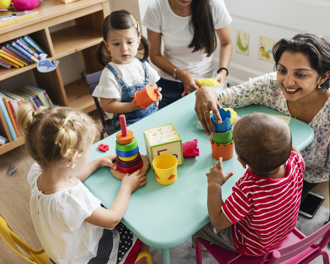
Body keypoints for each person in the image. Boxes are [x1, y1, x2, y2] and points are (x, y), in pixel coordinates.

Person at [194, 33, 330, 202]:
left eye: (301, 75)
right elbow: (223, 98)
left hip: (307, 174)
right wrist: (204, 91)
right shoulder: (268, 86)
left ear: (323, 76)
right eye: (282, 70)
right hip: (260, 166)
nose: (287, 82)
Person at [17, 104, 148, 264]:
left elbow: (71, 176)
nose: (89, 157)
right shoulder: (71, 199)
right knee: (138, 228)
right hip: (88, 258)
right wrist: (127, 188)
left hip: (61, 252)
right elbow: (112, 219)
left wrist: (97, 162)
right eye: (87, 154)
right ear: (71, 160)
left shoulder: (38, 171)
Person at [192, 112, 305, 256]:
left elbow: (218, 222)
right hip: (282, 231)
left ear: (242, 161)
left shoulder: (248, 190)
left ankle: (202, 247)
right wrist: (280, 142)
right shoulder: (295, 161)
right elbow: (294, 153)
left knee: (200, 224)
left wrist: (214, 184)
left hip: (253, 247)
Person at [143, 0, 233, 109]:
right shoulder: (156, 8)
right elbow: (155, 55)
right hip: (169, 82)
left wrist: (223, 71)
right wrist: (181, 75)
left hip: (204, 82)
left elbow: (226, 43)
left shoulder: (214, 4)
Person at [94, 10, 162, 131]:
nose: (124, 49)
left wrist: (155, 93)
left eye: (129, 42)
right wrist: (131, 106)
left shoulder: (143, 65)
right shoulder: (109, 74)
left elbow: (152, 84)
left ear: (138, 41)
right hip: (127, 123)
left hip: (152, 114)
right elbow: (106, 105)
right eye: (116, 44)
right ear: (107, 45)